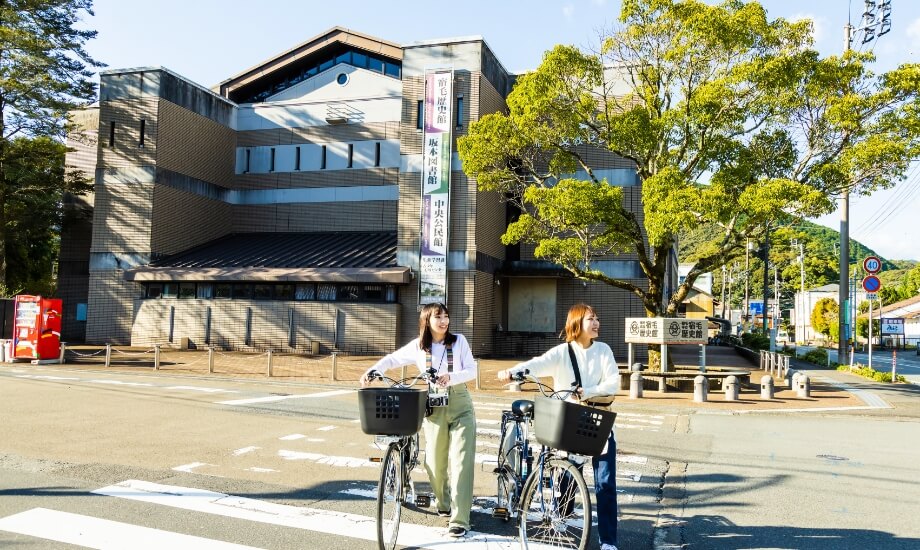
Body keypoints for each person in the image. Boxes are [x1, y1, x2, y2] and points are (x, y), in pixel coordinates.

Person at [497, 303, 620, 550]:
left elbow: (613, 383)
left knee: (606, 483)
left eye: (596, 318)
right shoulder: (562, 352)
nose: (596, 323)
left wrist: (589, 391)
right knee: (568, 472)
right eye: (590, 319)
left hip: (599, 423)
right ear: (577, 324)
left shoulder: (604, 350)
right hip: (571, 421)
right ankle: (562, 513)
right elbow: (538, 364)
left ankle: (608, 541)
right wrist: (512, 372)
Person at [360, 302, 477, 538]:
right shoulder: (418, 347)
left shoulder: (459, 341)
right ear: (427, 320)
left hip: (460, 402)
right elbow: (392, 359)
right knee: (433, 464)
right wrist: (372, 370)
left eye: (446, 316)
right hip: (433, 406)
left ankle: (460, 519)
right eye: (438, 317)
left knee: (461, 462)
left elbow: (472, 371)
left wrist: (450, 377)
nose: (444, 321)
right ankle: (444, 504)